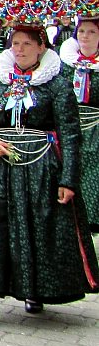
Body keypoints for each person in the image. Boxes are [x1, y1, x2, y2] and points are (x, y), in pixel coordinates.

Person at [0, 24, 99, 332]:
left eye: (26, 43)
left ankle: (33, 291)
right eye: (15, 43)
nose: (19, 49)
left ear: (41, 47)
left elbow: (70, 132)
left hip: (41, 170)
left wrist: (68, 180)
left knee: (37, 229)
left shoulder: (57, 84)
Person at [59, 17, 99, 232]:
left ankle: (91, 223)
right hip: (70, 125)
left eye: (91, 32)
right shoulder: (66, 62)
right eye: (82, 31)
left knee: (93, 174)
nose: (85, 36)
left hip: (96, 127)